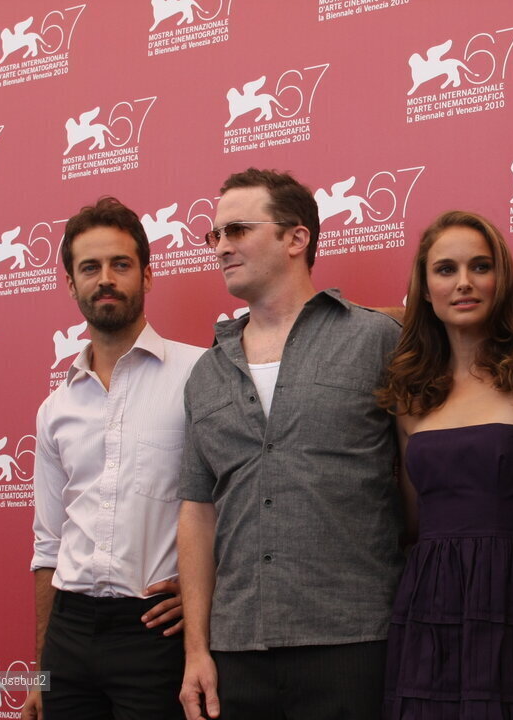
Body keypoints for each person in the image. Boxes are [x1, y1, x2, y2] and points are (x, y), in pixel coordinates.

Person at [177, 168, 404, 720]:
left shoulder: (376, 338)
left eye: (237, 230)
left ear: (296, 238)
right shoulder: (205, 372)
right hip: (236, 651)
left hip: (353, 640)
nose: (221, 247)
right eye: (215, 236)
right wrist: (197, 650)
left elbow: (424, 474)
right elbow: (197, 512)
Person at [27, 197, 205, 720]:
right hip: (69, 631)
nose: (105, 279)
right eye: (90, 267)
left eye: (120, 265)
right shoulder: (55, 407)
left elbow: (238, 502)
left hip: (156, 634)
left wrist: (200, 596)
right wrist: (40, 671)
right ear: (71, 284)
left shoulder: (201, 375)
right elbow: (47, 546)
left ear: (147, 276)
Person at [378, 211, 513, 719]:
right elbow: (411, 521)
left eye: (480, 266)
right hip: (428, 600)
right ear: (425, 286)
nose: (464, 283)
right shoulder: (410, 396)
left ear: (502, 280)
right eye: (446, 270)